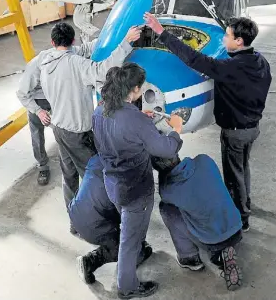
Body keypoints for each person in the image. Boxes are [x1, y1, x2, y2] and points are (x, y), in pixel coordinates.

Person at [143, 13, 272, 232]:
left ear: (239, 41)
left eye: (228, 36)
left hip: (236, 130)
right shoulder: (260, 60)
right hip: (252, 127)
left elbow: (195, 59)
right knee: (242, 168)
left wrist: (161, 32)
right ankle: (245, 203)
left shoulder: (231, 68)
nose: (224, 39)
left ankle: (241, 217)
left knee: (233, 176)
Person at [92, 62, 183, 299]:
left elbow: (121, 128)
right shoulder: (135, 121)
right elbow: (165, 149)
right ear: (133, 89)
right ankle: (127, 287)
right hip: (135, 190)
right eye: (141, 87)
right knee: (129, 239)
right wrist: (176, 130)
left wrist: (139, 117)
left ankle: (138, 253)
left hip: (112, 182)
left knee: (130, 228)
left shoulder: (99, 110)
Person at [39, 22, 140, 234]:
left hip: (58, 128)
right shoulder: (76, 63)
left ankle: (75, 220)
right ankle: (103, 223)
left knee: (69, 177)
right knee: (97, 176)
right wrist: (126, 43)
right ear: (73, 40)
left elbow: (86, 51)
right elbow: (104, 70)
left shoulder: (46, 61)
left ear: (52, 42)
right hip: (77, 132)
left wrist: (113, 34)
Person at [16, 29, 99, 186]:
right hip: (38, 99)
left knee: (62, 131)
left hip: (56, 95)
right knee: (37, 132)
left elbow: (86, 48)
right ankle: (42, 166)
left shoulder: (70, 52)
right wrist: (38, 111)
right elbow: (22, 93)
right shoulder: (38, 64)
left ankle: (67, 161)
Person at [152, 154, 243, 291]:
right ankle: (225, 247)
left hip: (212, 241)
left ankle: (189, 257)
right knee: (207, 195)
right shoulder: (204, 160)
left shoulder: (168, 190)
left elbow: (166, 194)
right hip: (236, 226)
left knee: (166, 209)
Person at [68, 154, 153, 284]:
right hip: (94, 227)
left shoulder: (99, 157)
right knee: (135, 252)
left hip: (75, 213)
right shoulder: (124, 179)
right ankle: (90, 261)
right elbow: (129, 220)